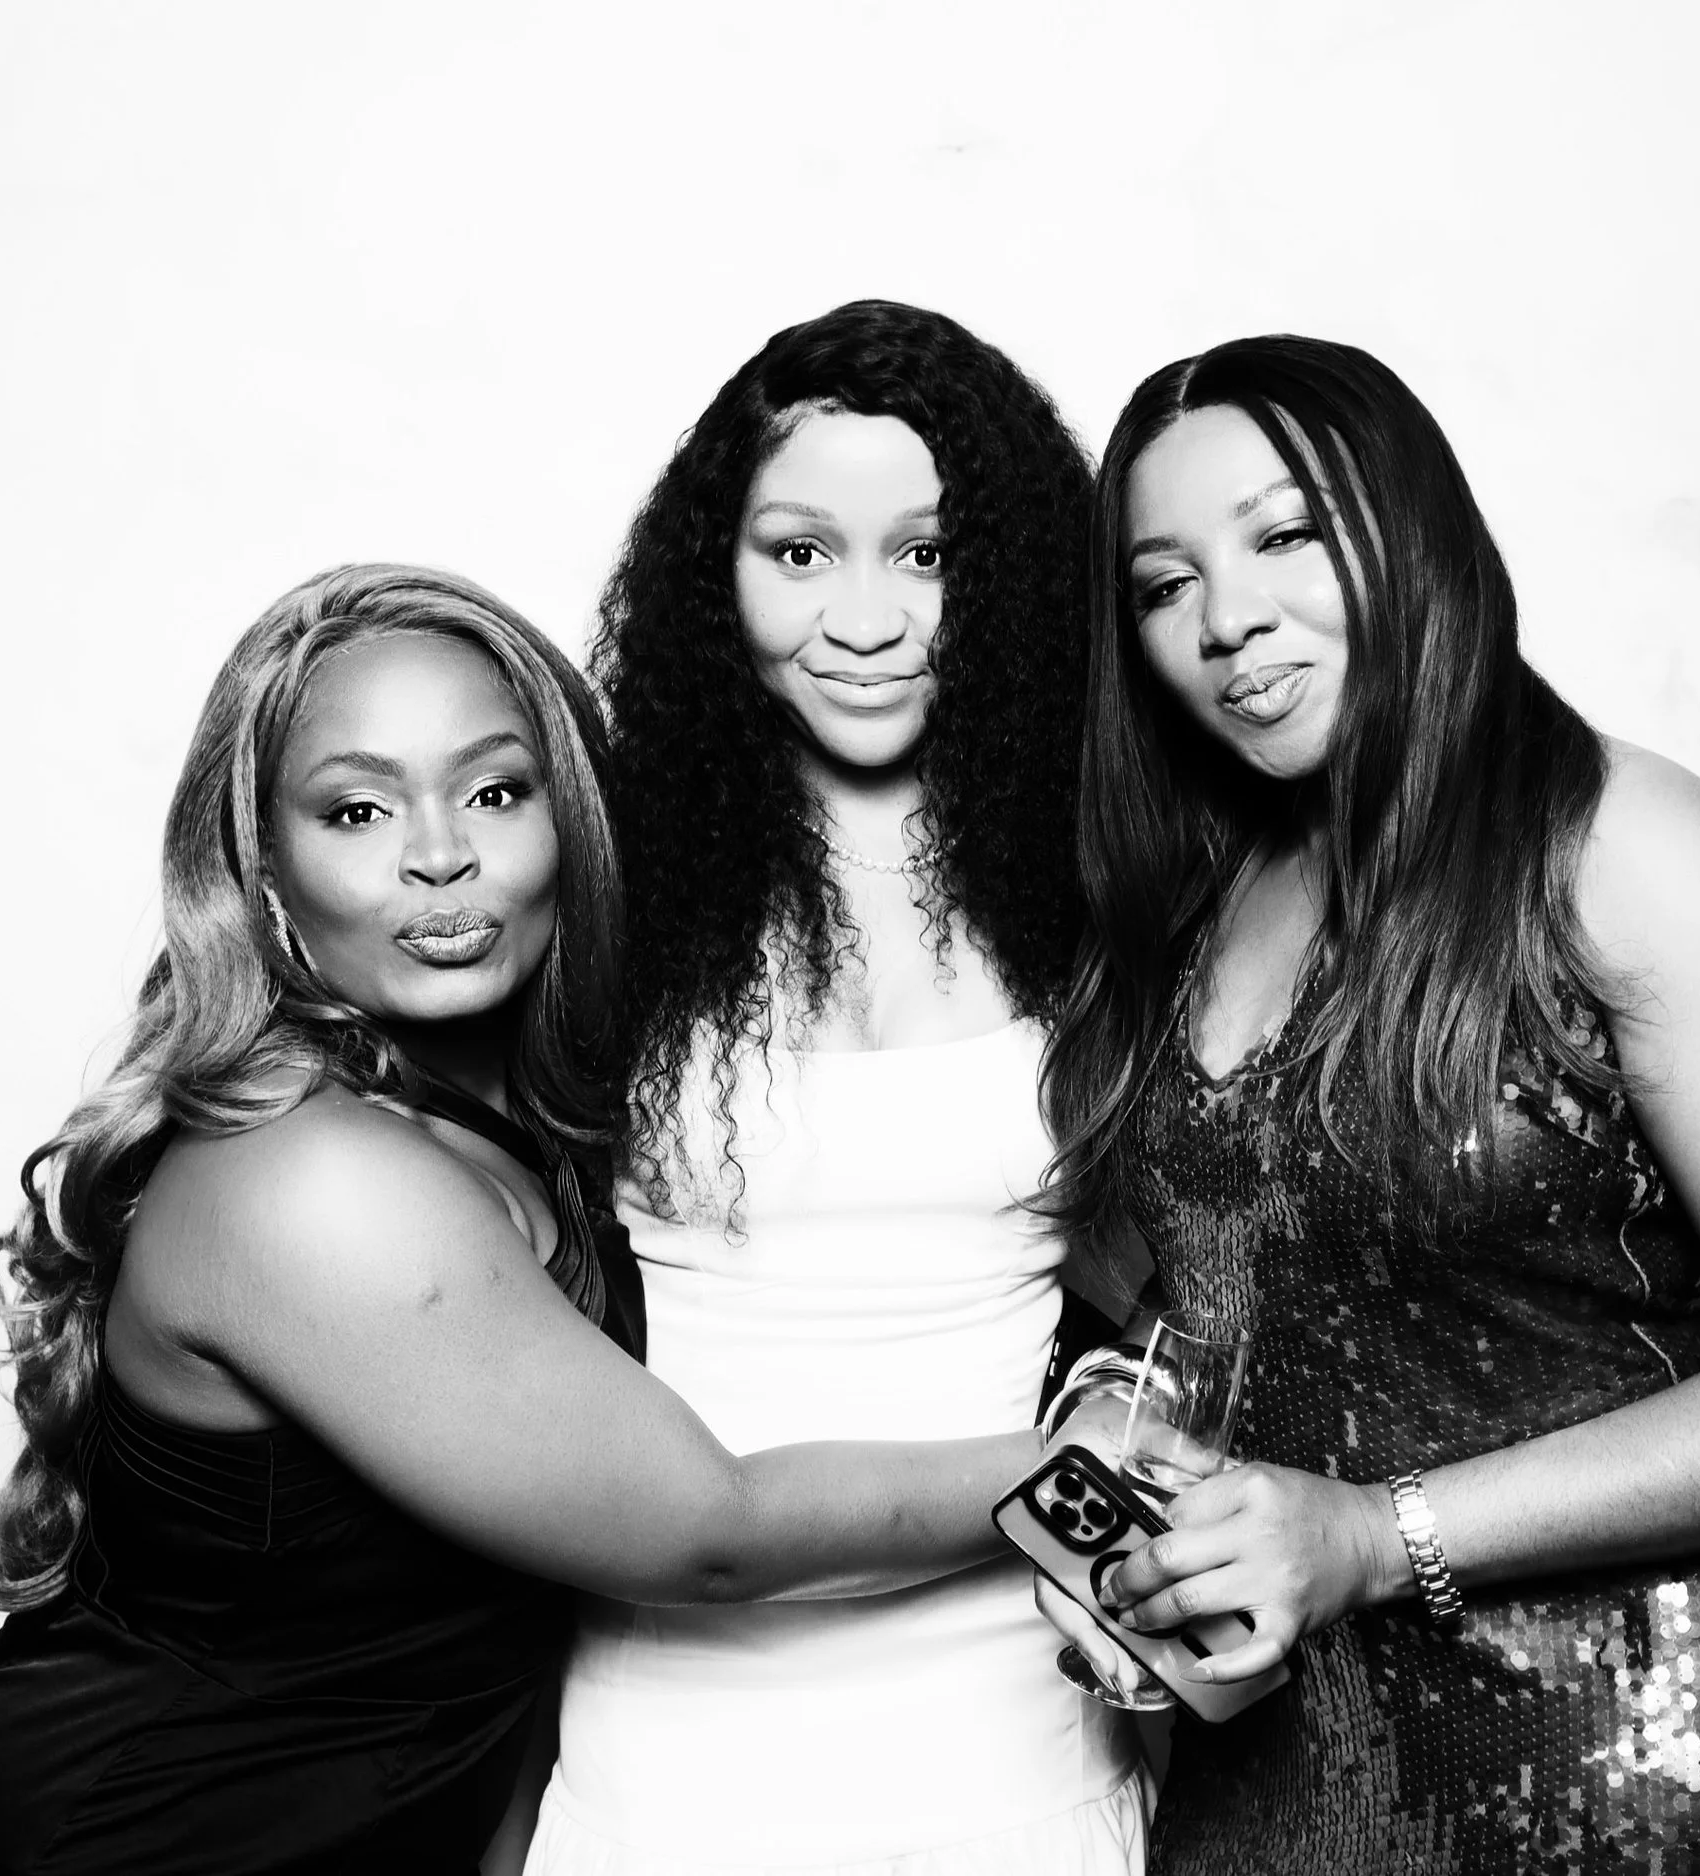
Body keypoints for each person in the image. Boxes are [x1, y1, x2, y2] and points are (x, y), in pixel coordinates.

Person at [0, 565, 1047, 1876]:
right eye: (355, 808)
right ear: (264, 868)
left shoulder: (525, 1123)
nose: (438, 854)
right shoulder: (313, 1179)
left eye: (495, 790)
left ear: (570, 818)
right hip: (120, 1835)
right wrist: (1074, 1467)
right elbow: (710, 1533)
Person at [1036, 338, 1700, 1874]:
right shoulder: (1194, 896)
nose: (1227, 620)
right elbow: (1208, 1300)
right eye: (1161, 584)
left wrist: (1371, 1535)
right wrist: (1129, 1495)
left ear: (1412, 533)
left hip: (1633, 1748)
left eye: (1285, 536)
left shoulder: (1627, 852)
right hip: (1285, 1749)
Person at [526, 302, 1148, 1875]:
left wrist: (1129, 1491)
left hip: (1015, 1720)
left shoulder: (1112, 884)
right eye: (800, 552)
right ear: (713, 573)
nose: (863, 617)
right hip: (668, 1735)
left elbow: (1190, 1305)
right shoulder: (604, 891)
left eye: (926, 555)